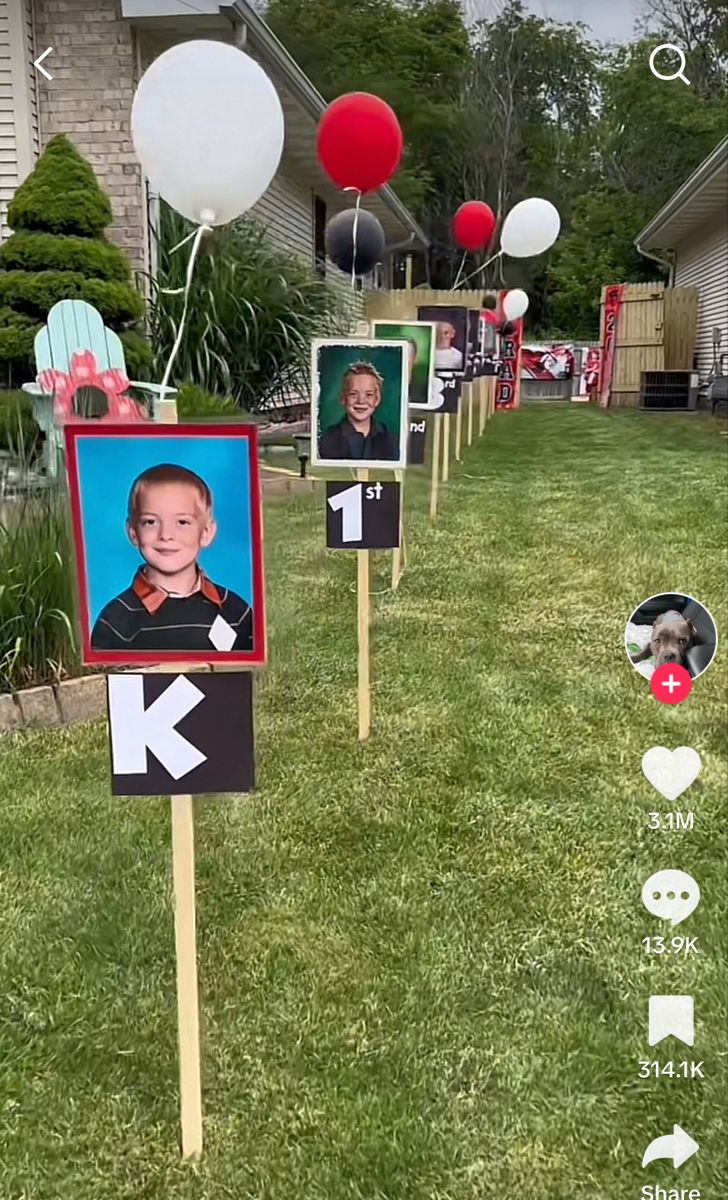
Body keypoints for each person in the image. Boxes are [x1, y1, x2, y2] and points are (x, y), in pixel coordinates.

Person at [91, 463, 253, 652]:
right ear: (133, 532)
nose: (166, 535)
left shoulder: (236, 612)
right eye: (150, 522)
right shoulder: (115, 622)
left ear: (206, 532)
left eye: (182, 522)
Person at [319, 361, 399, 461]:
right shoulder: (328, 439)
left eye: (368, 395)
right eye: (353, 394)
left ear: (377, 399)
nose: (361, 401)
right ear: (343, 398)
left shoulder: (391, 439)